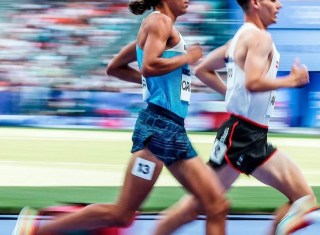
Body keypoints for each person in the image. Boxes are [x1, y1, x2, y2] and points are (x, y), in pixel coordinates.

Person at [12, 0, 229, 235]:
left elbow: (115, 67)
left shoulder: (159, 27)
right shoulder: (159, 21)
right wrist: (187, 58)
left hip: (172, 130)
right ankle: (36, 231)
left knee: (215, 205)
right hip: (158, 130)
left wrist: (152, 81)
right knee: (122, 214)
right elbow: (149, 66)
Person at [152, 0, 320, 235]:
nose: (279, 5)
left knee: (301, 198)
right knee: (302, 199)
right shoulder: (260, 38)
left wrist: (232, 94)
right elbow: (252, 82)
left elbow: (202, 70)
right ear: (256, 3)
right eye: (273, 0)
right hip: (243, 136)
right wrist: (291, 81)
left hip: (245, 133)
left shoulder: (240, 37)